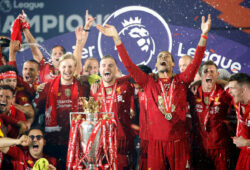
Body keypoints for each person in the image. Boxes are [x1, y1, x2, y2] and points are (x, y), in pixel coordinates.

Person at [96, 14, 211, 169]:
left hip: (179, 142)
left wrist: (203, 35)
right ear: (156, 64)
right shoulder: (148, 82)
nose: (163, 57)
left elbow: (196, 61)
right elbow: (129, 65)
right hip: (155, 144)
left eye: (167, 56)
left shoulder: (181, 81)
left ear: (172, 63)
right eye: (160, 56)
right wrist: (116, 38)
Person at [33, 53, 89, 168]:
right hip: (52, 142)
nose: (67, 70)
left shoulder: (84, 87)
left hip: (76, 142)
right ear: (59, 68)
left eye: (70, 67)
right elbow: (36, 109)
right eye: (64, 67)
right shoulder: (47, 87)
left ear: (75, 68)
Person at [20, 10, 94, 82]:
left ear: (65, 57)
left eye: (60, 54)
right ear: (51, 57)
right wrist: (25, 28)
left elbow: (79, 48)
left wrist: (86, 29)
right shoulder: (44, 66)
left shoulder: (71, 69)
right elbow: (34, 47)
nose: (58, 56)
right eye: (55, 54)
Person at [90, 55, 135, 169]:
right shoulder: (94, 91)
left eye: (111, 65)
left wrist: (121, 78)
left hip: (122, 145)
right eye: (104, 65)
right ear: (99, 70)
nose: (107, 68)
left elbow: (136, 74)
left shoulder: (125, 86)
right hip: (102, 145)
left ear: (116, 69)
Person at [190, 60, 233, 170]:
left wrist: (222, 82)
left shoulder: (224, 94)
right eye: (205, 71)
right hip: (199, 147)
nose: (209, 73)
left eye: (212, 71)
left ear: (217, 75)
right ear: (200, 74)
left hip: (220, 147)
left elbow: (241, 87)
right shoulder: (192, 93)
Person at [228, 73, 250, 170]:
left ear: (244, 89)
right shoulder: (237, 102)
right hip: (244, 154)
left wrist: (246, 142)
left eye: (232, 88)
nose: (229, 92)